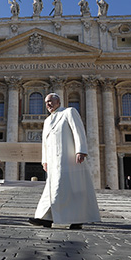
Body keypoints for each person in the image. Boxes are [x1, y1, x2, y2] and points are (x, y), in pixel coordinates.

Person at [29, 93, 100, 230]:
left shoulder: (69, 112)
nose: (48, 104)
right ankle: (46, 218)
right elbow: (45, 143)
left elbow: (78, 131)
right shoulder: (47, 121)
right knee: (52, 188)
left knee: (72, 189)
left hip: (69, 159)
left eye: (50, 101)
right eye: (46, 102)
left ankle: (77, 220)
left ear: (58, 101)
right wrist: (44, 160)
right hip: (53, 161)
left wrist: (81, 150)